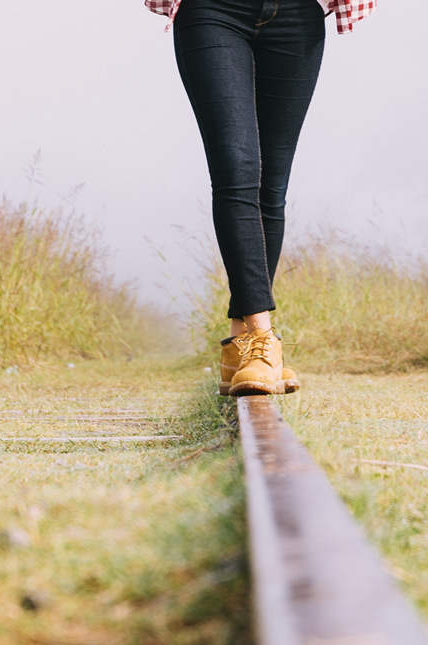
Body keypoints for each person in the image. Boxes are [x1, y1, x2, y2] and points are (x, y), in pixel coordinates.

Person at [145, 0, 374, 396]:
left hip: (297, 16)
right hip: (213, 12)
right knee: (236, 169)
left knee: (272, 185)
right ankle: (264, 343)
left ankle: (241, 346)